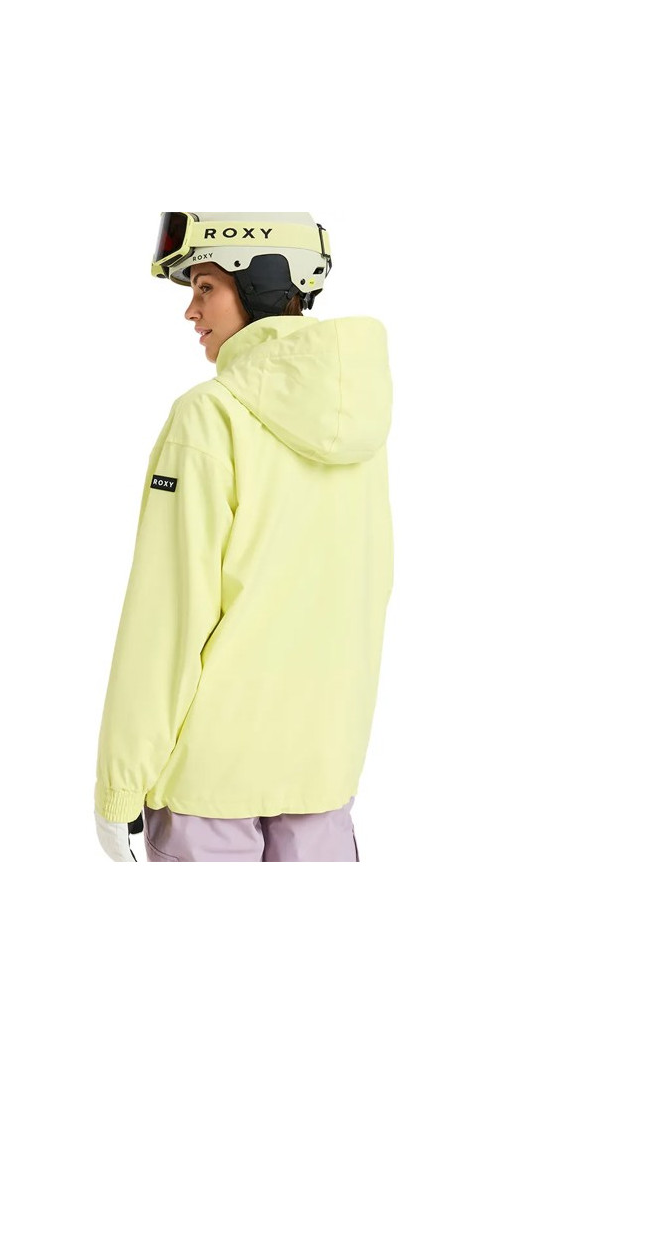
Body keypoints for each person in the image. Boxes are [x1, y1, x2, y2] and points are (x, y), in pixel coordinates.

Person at [94, 212, 394, 862]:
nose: (190, 311)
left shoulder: (209, 416)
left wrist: (119, 786)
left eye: (205, 287)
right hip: (323, 776)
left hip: (207, 789)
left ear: (260, 281)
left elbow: (167, 620)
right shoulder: (365, 425)